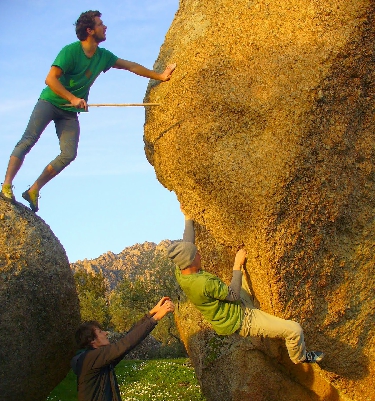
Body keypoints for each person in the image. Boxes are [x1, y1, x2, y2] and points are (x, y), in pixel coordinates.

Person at [1, 10, 176, 212]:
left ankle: (34, 189)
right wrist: (73, 98)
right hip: (50, 102)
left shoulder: (103, 56)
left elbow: (130, 66)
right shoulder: (71, 51)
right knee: (28, 140)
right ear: (90, 30)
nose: (105, 27)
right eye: (101, 24)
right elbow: (50, 79)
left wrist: (160, 76)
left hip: (68, 112)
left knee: (69, 154)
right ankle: (6, 185)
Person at [167, 212, 325, 365]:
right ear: (190, 261)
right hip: (243, 319)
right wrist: (237, 264)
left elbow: (188, 243)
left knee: (249, 275)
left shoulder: (181, 270)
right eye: (197, 255)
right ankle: (300, 357)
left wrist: (187, 217)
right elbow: (233, 294)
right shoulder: (202, 283)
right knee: (294, 330)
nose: (200, 255)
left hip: (232, 304)